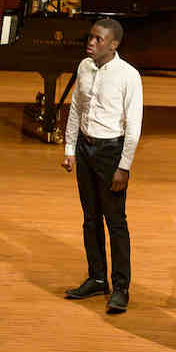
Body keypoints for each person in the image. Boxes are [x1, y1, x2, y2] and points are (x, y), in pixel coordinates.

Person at [62, 18, 143, 314]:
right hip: (85, 149)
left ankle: (121, 287)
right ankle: (97, 278)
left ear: (114, 44)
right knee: (90, 218)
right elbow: (76, 108)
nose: (91, 43)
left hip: (111, 152)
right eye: (91, 37)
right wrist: (70, 148)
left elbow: (134, 126)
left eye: (99, 39)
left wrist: (124, 166)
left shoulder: (128, 76)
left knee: (115, 221)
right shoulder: (84, 67)